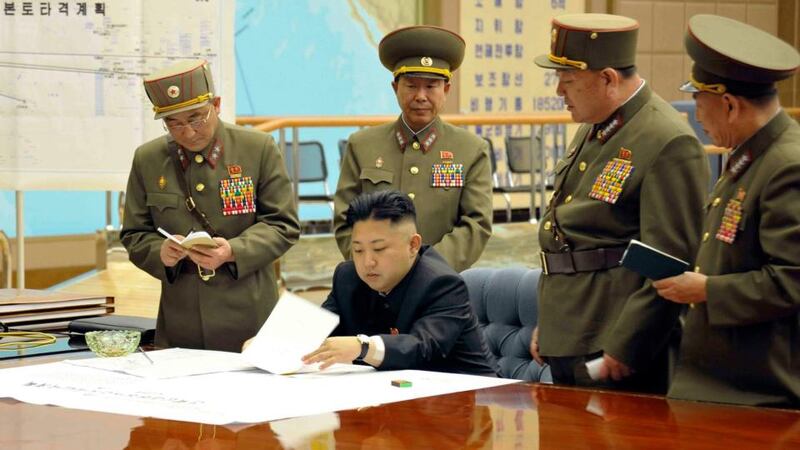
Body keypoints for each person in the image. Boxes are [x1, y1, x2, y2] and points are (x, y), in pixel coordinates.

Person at [529, 14, 710, 393]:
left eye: (569, 80)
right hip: (571, 330)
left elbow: (670, 260)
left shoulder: (665, 138)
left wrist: (628, 345)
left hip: (611, 344)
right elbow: (571, 239)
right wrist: (552, 322)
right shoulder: (598, 123)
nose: (560, 91)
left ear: (608, 79)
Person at [654, 15, 800, 407]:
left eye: (699, 104)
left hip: (760, 387)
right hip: (721, 378)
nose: (696, 118)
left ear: (730, 105)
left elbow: (791, 279)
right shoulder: (750, 155)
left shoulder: (787, 164)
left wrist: (707, 290)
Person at [121, 59, 300, 352]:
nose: (188, 132)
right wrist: (160, 253)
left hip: (249, 315)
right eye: (174, 123)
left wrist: (232, 251)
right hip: (182, 321)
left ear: (216, 104)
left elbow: (283, 225)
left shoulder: (257, 148)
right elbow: (134, 234)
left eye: (196, 118)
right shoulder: (148, 159)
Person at [333, 25, 493, 272]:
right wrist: (372, 265)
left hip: (440, 285)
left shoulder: (470, 150)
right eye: (411, 85)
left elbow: (476, 224)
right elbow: (345, 220)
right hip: (373, 283)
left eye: (431, 86)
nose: (421, 96)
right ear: (395, 88)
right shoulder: (362, 145)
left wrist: (425, 270)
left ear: (446, 90)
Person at [303, 190, 497, 376]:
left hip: (472, 398)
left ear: (413, 245)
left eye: (379, 249)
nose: (368, 262)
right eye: (358, 250)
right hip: (389, 394)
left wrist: (362, 347)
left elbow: (421, 348)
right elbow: (314, 333)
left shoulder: (443, 285)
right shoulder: (347, 278)